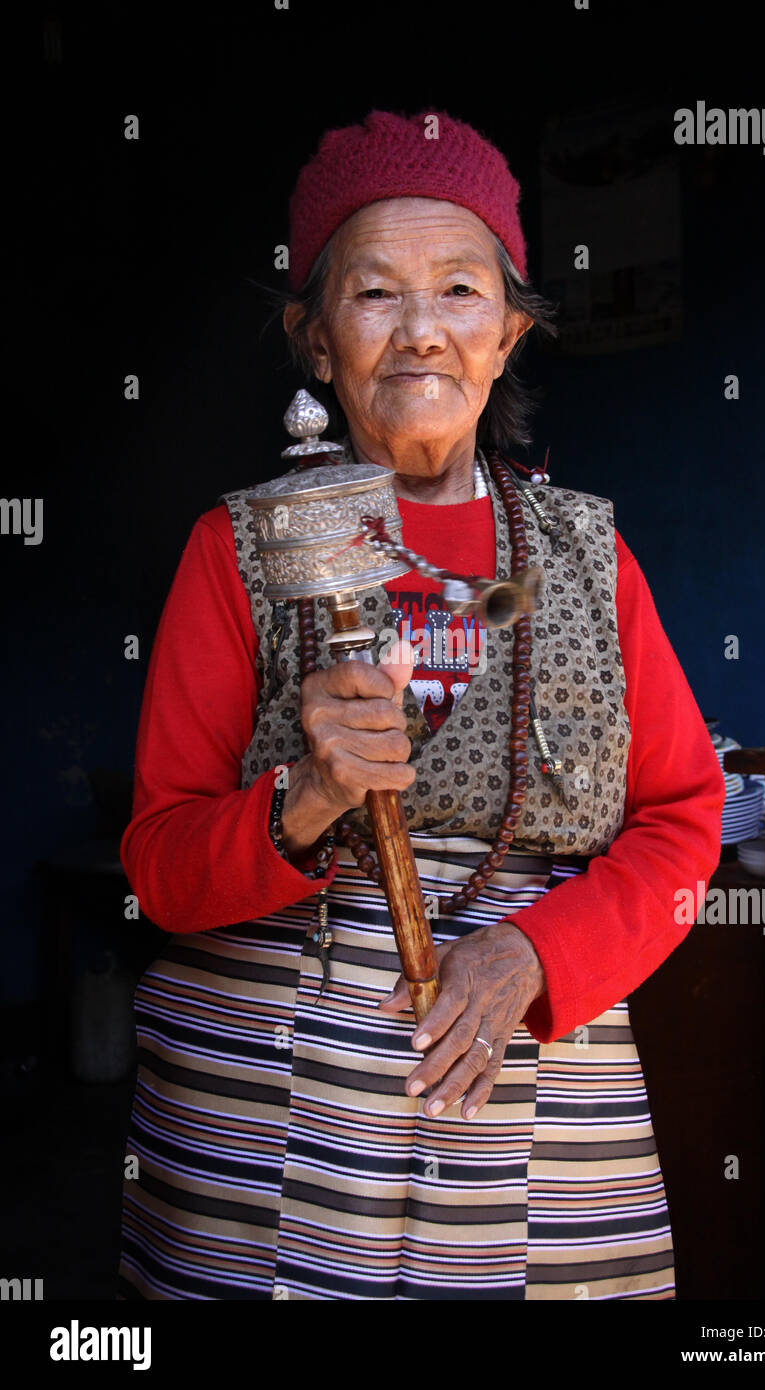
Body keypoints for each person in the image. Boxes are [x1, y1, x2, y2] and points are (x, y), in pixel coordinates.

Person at [118, 108, 725, 1301]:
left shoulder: (586, 554)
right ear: (312, 338)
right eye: (372, 294)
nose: (419, 334)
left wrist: (529, 954)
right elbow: (157, 867)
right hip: (263, 1104)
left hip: (535, 1077)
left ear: (507, 333)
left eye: (457, 291)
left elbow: (681, 824)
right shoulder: (234, 550)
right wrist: (306, 798)